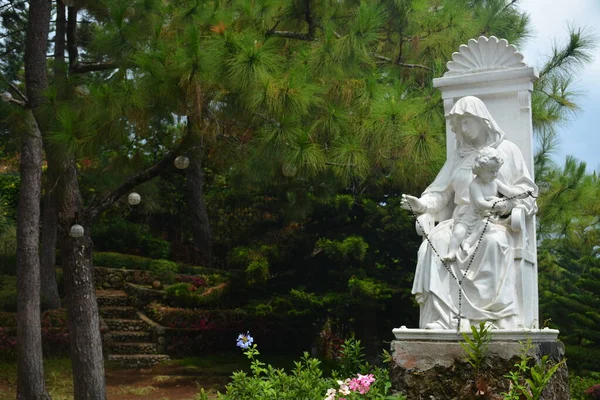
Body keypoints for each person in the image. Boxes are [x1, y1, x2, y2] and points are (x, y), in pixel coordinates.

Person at [401, 96, 538, 330]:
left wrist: (507, 207)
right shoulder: (458, 157)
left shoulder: (506, 151)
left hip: (494, 222)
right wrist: (422, 205)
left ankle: (495, 317)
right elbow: (441, 193)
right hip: (461, 221)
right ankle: (447, 319)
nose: (462, 129)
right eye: (459, 124)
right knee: (433, 245)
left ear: (482, 120)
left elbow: (527, 193)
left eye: (467, 122)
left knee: (494, 242)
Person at [443, 146, 530, 262]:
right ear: (480, 170)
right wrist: (493, 206)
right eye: (491, 171)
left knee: (485, 225)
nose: (495, 175)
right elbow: (480, 203)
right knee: (459, 230)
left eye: (496, 171)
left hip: (485, 217)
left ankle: (467, 243)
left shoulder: (495, 183)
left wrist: (522, 194)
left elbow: (509, 192)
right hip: (471, 216)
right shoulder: (475, 185)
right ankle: (452, 251)